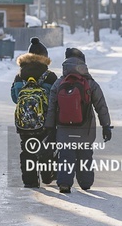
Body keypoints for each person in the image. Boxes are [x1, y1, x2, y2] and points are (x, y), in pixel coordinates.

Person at [44, 47, 112, 194]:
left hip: (63, 128)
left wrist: (49, 127)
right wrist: (106, 125)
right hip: (85, 128)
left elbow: (51, 107)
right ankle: (86, 183)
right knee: (85, 155)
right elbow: (101, 105)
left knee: (66, 156)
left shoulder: (59, 83)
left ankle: (64, 184)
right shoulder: (90, 83)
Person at [11, 37, 58, 188]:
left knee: (28, 149)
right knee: (47, 148)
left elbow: (14, 97)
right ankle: (47, 175)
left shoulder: (20, 75)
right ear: (45, 57)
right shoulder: (50, 76)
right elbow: (55, 97)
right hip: (45, 120)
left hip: (24, 121)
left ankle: (30, 181)